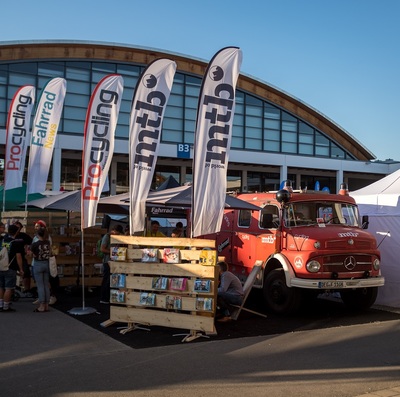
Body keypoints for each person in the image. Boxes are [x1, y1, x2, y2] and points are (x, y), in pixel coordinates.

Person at [31, 220, 58, 305]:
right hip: (37, 262)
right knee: (41, 282)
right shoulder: (36, 237)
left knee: (44, 282)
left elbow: (50, 250)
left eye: (37, 226)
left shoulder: (47, 238)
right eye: (35, 226)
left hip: (41, 261)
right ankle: (42, 297)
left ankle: (48, 298)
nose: (36, 227)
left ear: (42, 227)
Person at [0, 224, 24, 312]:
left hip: (1, 265)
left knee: (1, 287)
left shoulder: (2, 240)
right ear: (16, 232)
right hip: (10, 267)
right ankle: (6, 306)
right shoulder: (15, 243)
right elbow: (18, 257)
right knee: (8, 288)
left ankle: (1, 304)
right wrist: (21, 269)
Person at [100, 224, 123, 304]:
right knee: (107, 280)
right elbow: (102, 249)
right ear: (113, 230)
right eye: (117, 232)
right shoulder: (107, 237)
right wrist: (113, 253)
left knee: (112, 280)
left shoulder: (117, 237)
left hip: (115, 261)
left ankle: (109, 297)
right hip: (107, 261)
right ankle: (104, 298)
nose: (117, 234)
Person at [30, 226, 51, 312]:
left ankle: (42, 305)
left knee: (40, 285)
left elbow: (32, 254)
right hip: (46, 263)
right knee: (46, 284)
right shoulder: (48, 242)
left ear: (38, 234)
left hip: (38, 263)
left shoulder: (35, 244)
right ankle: (46, 304)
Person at [14, 221, 33, 293]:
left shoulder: (23, 236)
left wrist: (28, 249)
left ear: (21, 228)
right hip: (11, 258)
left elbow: (32, 243)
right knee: (11, 273)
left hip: (21, 257)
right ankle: (11, 291)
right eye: (15, 227)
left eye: (18, 228)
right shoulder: (9, 236)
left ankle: (27, 290)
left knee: (26, 272)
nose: (17, 229)